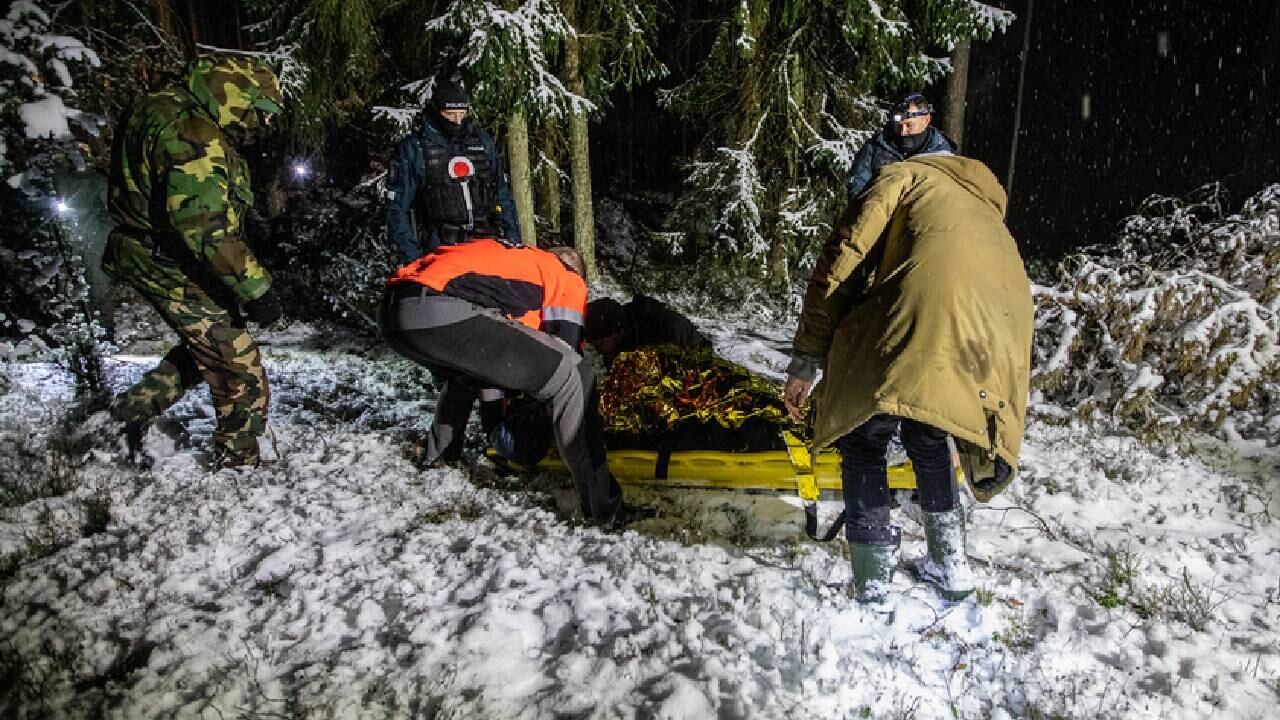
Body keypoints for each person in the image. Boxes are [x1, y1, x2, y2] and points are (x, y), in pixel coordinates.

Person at [784, 151, 1033, 605]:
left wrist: (806, 360)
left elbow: (845, 257)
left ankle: (874, 576)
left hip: (924, 311)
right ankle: (950, 562)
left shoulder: (905, 176)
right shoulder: (987, 211)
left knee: (866, 431)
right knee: (929, 428)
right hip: (987, 338)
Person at [102, 55, 285, 468]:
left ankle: (123, 416)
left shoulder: (159, 105)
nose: (262, 124)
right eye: (259, 111)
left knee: (205, 348)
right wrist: (257, 288)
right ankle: (237, 466)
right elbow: (205, 228)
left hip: (150, 252)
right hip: (167, 260)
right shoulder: (192, 132)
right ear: (234, 94)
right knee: (240, 368)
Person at [378, 239, 638, 527]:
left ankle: (439, 459)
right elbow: (566, 350)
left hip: (396, 312)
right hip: (441, 308)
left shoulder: (513, 265)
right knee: (575, 376)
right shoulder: (564, 274)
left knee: (468, 372)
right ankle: (606, 510)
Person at [384, 73, 520, 264]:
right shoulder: (415, 148)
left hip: (488, 242)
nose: (457, 121)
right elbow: (397, 208)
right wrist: (413, 258)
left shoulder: (481, 142)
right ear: (436, 112)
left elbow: (501, 194)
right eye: (450, 115)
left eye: (461, 114)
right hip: (439, 249)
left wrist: (512, 239)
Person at [845, 92, 956, 205]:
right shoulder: (877, 146)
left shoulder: (943, 154)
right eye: (899, 126)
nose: (903, 132)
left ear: (926, 120)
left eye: (909, 125)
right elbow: (857, 186)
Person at [583, 294, 712, 361]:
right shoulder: (617, 346)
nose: (599, 351)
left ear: (616, 333)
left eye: (600, 345)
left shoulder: (663, 327)